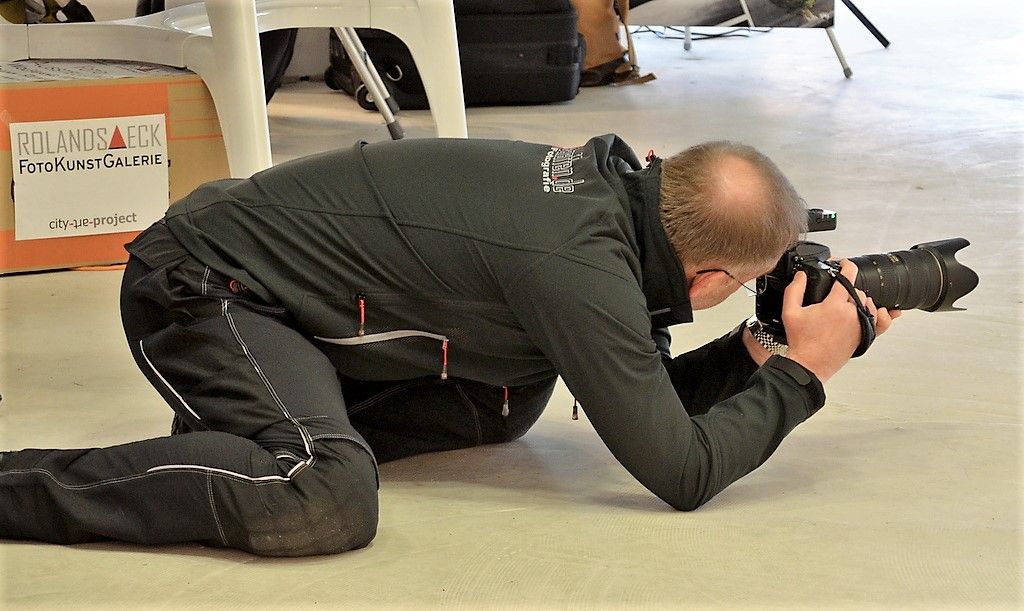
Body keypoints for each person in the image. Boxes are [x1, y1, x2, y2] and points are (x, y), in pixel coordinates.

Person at [0, 135, 898, 556]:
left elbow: (644, 396)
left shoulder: (609, 203)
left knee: (505, 393)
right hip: (202, 284)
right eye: (743, 286)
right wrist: (807, 372)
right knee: (327, 496)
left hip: (285, 293)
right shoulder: (576, 266)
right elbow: (682, 469)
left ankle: (257, 432)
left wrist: (761, 345)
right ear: (704, 275)